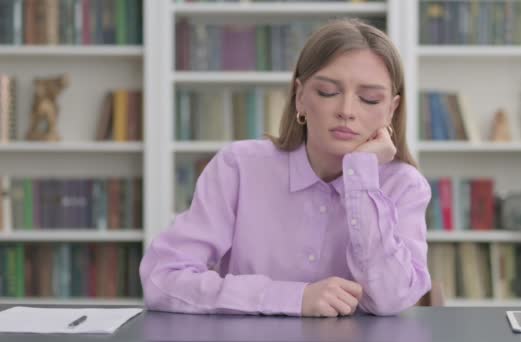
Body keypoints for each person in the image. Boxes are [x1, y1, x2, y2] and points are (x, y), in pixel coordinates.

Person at [140, 18, 431, 317]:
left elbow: (391, 298)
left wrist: (361, 177)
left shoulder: (405, 185)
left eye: (369, 99)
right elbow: (161, 279)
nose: (347, 111)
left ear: (391, 110)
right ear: (300, 97)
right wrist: (291, 298)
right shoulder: (239, 167)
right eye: (328, 92)